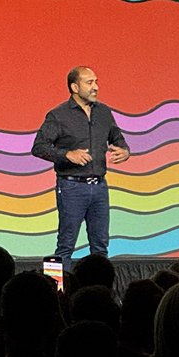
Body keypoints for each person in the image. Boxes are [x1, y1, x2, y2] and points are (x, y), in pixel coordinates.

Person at [31, 66, 130, 266]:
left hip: (100, 187)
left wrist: (125, 150)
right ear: (75, 87)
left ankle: (101, 292)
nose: (96, 87)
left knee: (100, 246)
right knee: (65, 245)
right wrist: (66, 154)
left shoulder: (103, 112)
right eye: (89, 82)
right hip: (71, 187)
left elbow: (117, 138)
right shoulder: (58, 115)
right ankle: (58, 293)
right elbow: (39, 147)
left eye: (96, 81)